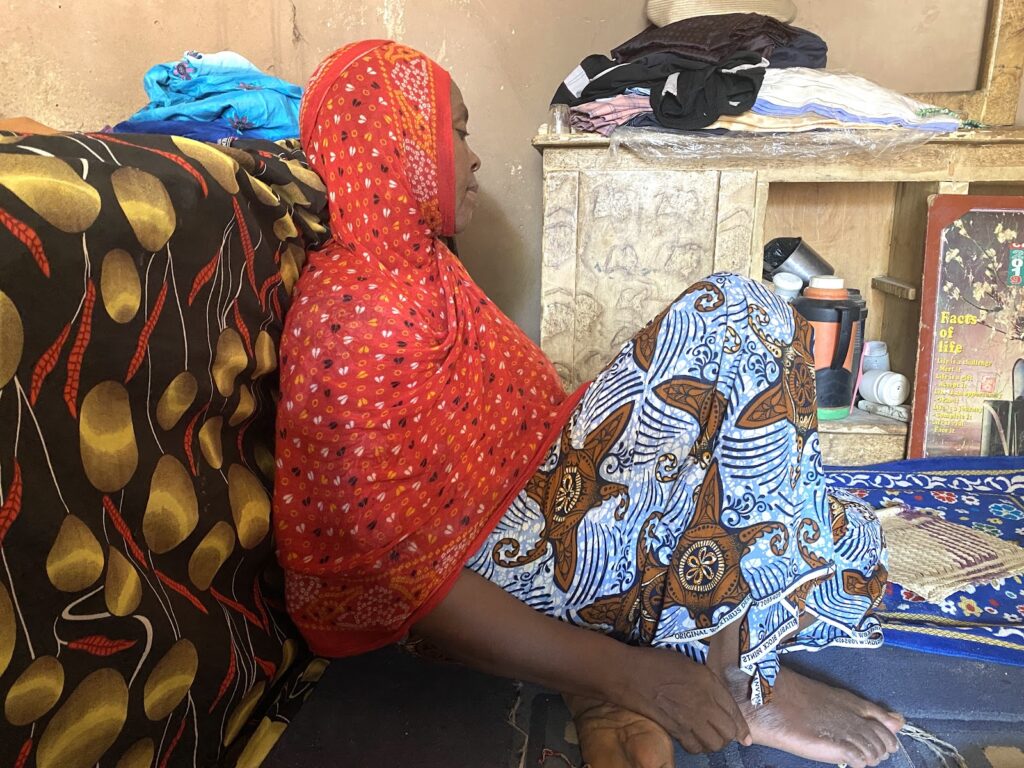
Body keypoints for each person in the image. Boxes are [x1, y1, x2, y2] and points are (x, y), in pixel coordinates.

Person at [274, 40, 904, 768]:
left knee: (818, 500)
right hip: (499, 572)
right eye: (459, 129)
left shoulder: (418, 268)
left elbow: (531, 441)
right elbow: (404, 585)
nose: (474, 158)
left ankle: (712, 647)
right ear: (395, 144)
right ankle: (739, 679)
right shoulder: (358, 315)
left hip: (542, 509)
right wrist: (630, 677)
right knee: (735, 311)